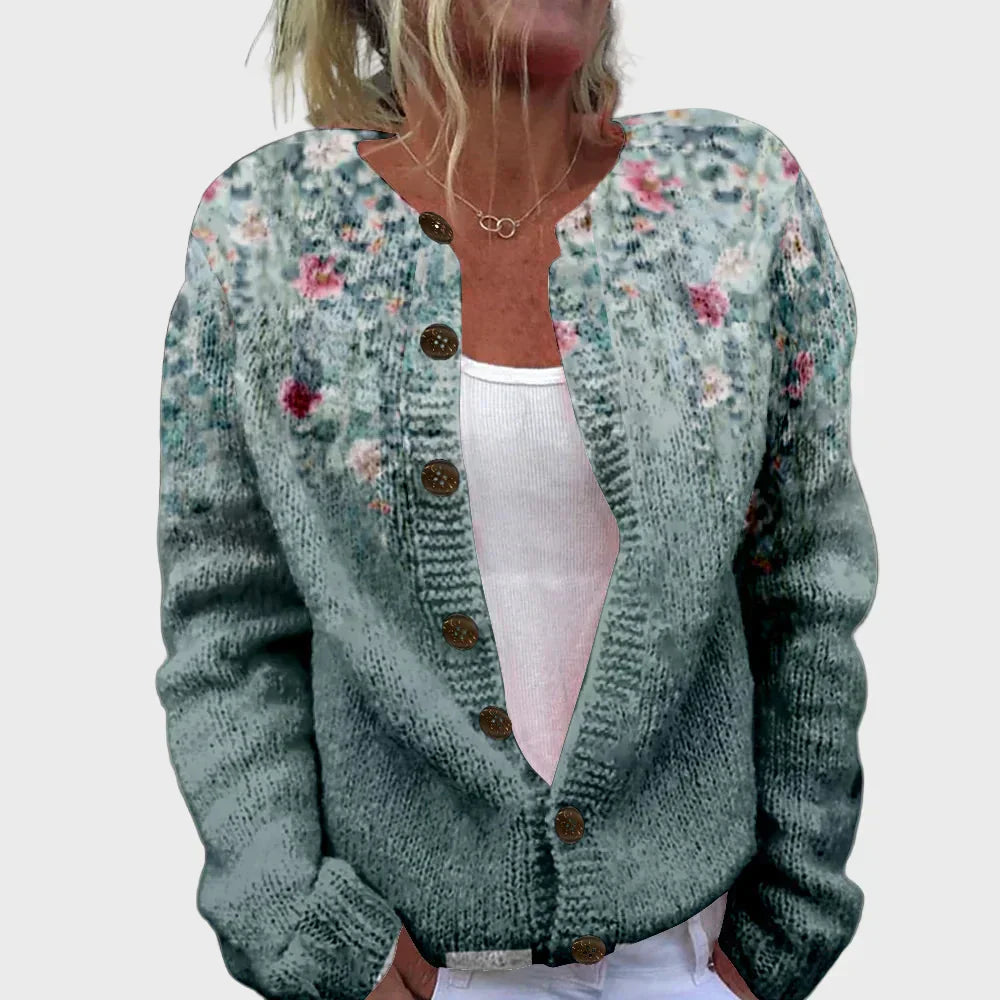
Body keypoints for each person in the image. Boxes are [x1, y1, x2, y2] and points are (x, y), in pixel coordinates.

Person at [154, 2, 878, 1000]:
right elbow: (230, 625)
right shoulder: (267, 225)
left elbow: (806, 587)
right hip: (407, 969)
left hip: (690, 964)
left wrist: (784, 931)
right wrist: (300, 927)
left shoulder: (735, 195)